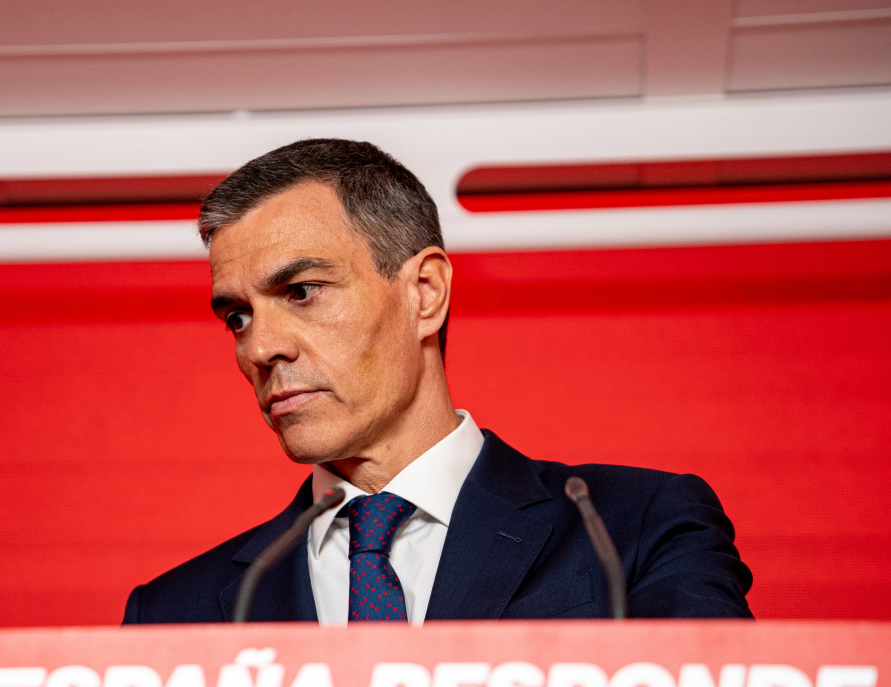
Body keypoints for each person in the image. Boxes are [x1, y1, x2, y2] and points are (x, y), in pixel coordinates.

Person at [123, 138, 752, 625]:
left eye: (302, 291)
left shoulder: (633, 529)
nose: (261, 347)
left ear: (424, 292)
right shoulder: (174, 613)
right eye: (237, 317)